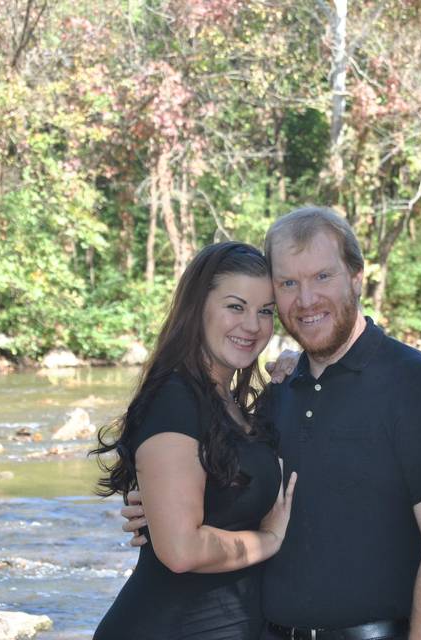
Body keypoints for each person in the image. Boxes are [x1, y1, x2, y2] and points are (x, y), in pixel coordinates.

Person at [123, 207, 421, 640]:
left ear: (357, 277)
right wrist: (160, 510)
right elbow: (236, 494)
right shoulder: (280, 391)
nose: (306, 299)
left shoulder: (419, 385)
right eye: (288, 283)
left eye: (322, 277)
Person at [91, 242, 298, 640]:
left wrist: (299, 365)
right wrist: (269, 539)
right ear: (197, 307)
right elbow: (181, 550)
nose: (253, 325)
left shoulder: (229, 404)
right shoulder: (174, 401)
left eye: (265, 311)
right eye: (235, 306)